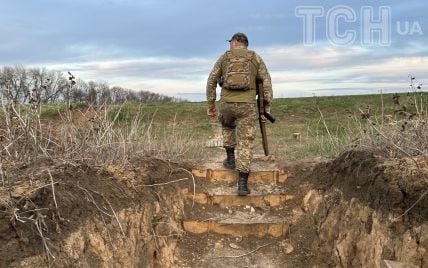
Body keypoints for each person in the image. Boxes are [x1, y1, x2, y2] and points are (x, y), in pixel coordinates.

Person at [206, 32, 273, 196]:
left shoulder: (224, 57)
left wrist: (211, 104)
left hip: (227, 104)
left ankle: (230, 160)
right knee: (246, 141)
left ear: (236, 42)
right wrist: (266, 109)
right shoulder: (255, 58)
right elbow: (267, 84)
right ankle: (242, 184)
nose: (230, 45)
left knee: (228, 126)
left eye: (231, 42)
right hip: (247, 106)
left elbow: (211, 80)